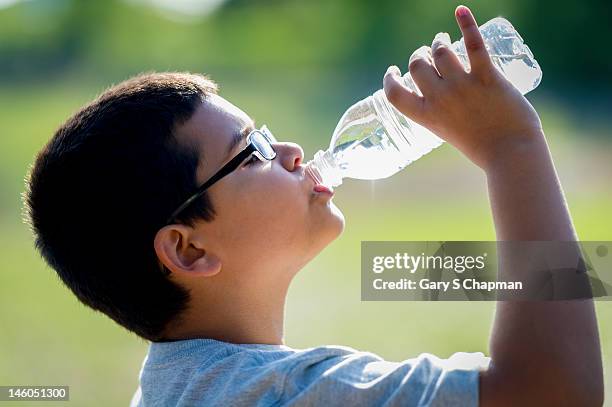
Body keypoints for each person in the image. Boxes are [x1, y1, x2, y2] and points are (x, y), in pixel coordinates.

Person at [24, 5, 603, 406]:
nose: (293, 152)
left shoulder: (175, 386)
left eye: (267, 134)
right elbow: (553, 389)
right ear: (188, 247)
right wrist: (512, 148)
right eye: (251, 151)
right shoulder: (272, 394)